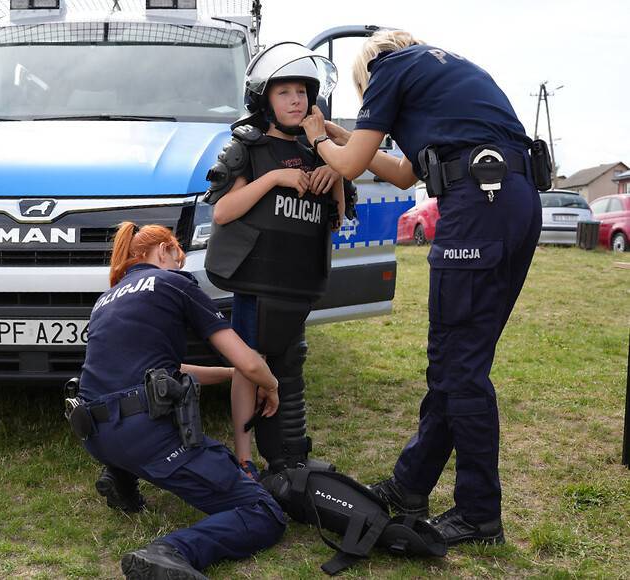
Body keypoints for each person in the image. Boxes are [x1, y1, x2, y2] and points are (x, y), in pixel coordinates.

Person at [300, 30, 543, 545]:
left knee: (459, 366)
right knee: (459, 360)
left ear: (369, 71)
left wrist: (317, 133)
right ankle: (411, 485)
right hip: (514, 199)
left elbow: (345, 167)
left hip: (478, 204)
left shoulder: (388, 69)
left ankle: (479, 514)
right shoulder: (444, 71)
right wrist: (346, 135)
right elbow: (405, 173)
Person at [75, 222, 285, 579]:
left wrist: (232, 376)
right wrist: (269, 382)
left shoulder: (107, 298)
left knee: (128, 414)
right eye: (178, 258)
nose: (181, 266)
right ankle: (170, 551)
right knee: (264, 512)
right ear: (163, 251)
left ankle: (122, 480)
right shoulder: (174, 284)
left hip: (95, 434)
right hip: (145, 436)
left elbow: (164, 370)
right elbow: (248, 359)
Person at [204, 42, 344, 477]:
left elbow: (335, 220)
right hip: (257, 283)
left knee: (290, 365)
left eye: (302, 91)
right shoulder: (249, 147)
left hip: (296, 283)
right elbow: (223, 211)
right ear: (265, 97)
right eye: (284, 92)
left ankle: (289, 456)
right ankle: (244, 459)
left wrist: (334, 173)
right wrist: (277, 178)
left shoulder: (318, 149)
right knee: (250, 364)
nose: (296, 99)